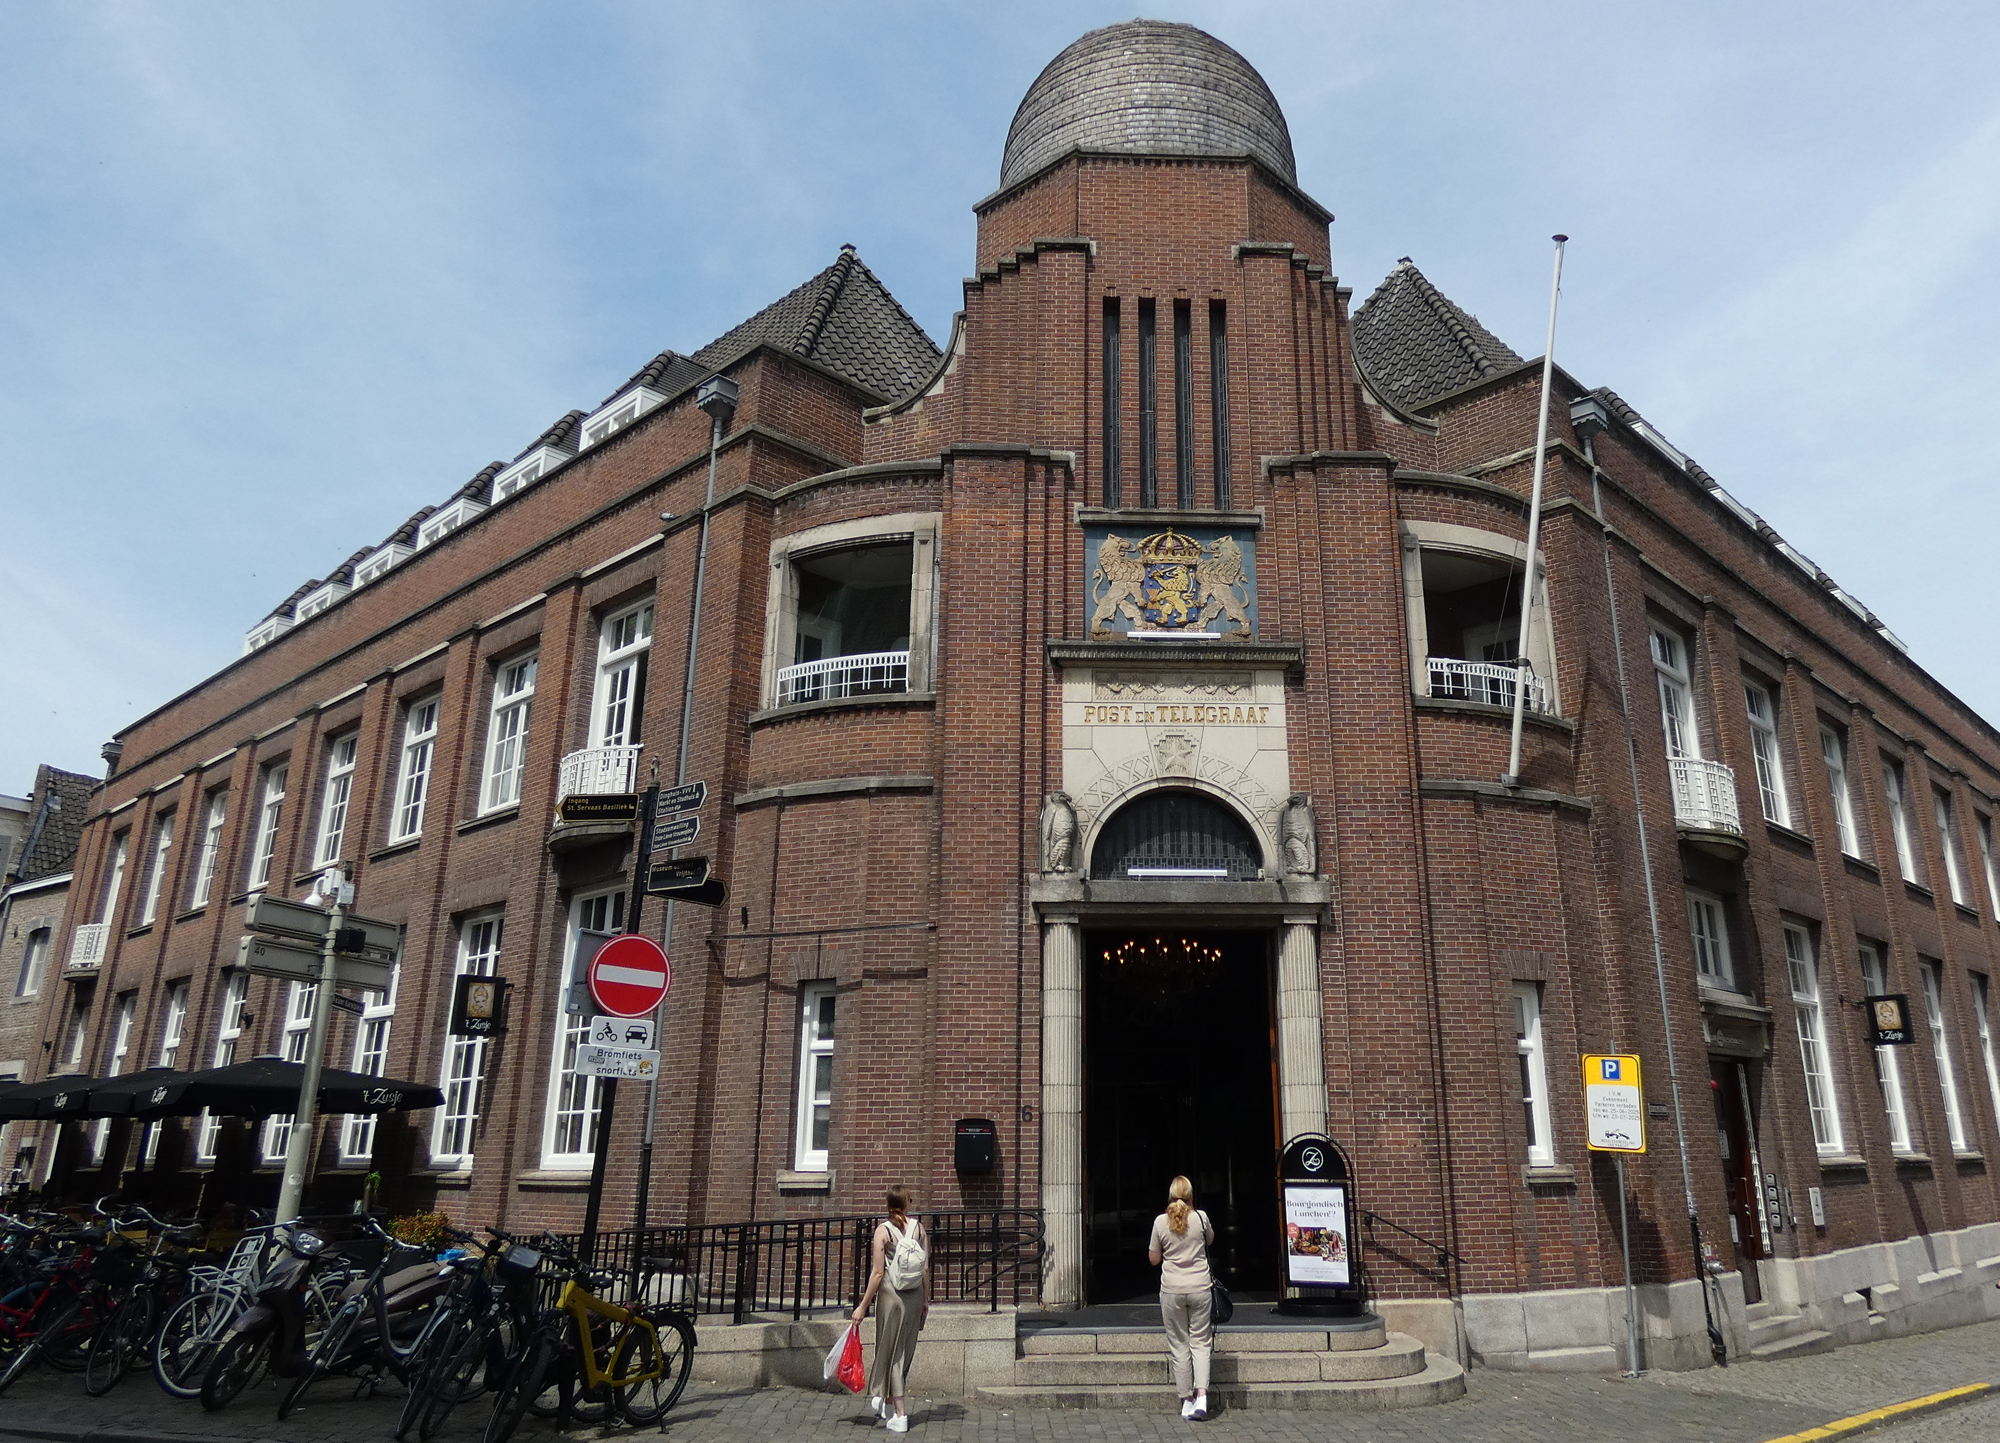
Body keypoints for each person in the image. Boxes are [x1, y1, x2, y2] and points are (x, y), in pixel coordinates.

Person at [853, 1184, 927, 1432]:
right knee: (903, 1350)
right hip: (914, 1295)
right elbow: (925, 1268)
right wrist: (925, 1301)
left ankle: (900, 1414)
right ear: (906, 1203)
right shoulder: (919, 1229)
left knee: (890, 1350)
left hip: (891, 1296)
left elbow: (877, 1273)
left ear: (888, 1205)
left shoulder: (882, 1231)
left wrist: (862, 1306)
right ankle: (884, 1398)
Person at [1148, 1175, 1215, 1421]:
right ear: (1190, 1196)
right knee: (1201, 1342)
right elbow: (1210, 1241)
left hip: (1172, 1290)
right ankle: (1202, 1397)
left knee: (1179, 1344)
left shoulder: (1160, 1222)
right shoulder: (1201, 1218)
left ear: (1170, 1195)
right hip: (1200, 1287)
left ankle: (1186, 1400)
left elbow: (1153, 1259)